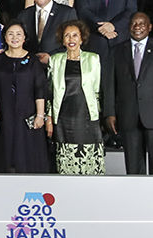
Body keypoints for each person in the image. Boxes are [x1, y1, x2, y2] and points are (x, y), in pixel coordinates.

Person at [106, 12, 153, 175]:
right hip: (128, 116)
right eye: (134, 23)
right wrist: (110, 113)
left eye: (142, 24)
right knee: (133, 168)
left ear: (149, 27)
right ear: (129, 27)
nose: (137, 27)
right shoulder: (117, 51)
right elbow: (110, 85)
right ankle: (136, 198)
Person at [46, 19, 111, 175]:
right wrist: (49, 117)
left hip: (87, 117)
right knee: (65, 164)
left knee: (90, 163)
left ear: (82, 39)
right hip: (63, 118)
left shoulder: (93, 58)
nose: (71, 39)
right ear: (62, 39)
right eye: (67, 35)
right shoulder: (55, 60)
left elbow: (99, 90)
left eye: (75, 35)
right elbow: (49, 92)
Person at [0, 21, 49, 173]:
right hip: (5, 114)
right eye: (10, 34)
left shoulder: (33, 61)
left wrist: (40, 115)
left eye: (18, 34)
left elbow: (40, 89)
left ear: (24, 38)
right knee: (5, 149)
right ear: (5, 37)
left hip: (27, 112)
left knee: (28, 151)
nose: (14, 37)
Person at [18, 0, 79, 64]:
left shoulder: (67, 13)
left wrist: (51, 57)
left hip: (58, 67)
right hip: (29, 68)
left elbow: (74, 42)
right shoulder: (23, 15)